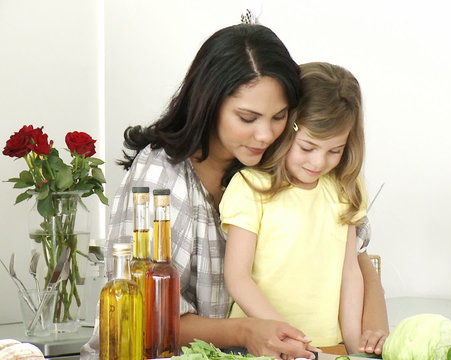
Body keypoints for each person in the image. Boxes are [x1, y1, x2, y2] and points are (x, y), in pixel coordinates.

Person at [80, 23, 387, 360]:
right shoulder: (161, 175)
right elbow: (141, 320)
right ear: (209, 104)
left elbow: (352, 251)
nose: (265, 135)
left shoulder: (282, 161)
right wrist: (247, 330)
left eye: (279, 116)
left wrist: (373, 331)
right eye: (247, 117)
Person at [221, 62, 371, 354]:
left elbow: (350, 272)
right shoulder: (250, 186)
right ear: (286, 130)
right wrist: (294, 342)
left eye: (334, 151)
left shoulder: (344, 188)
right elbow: (237, 277)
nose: (318, 163)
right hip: (261, 348)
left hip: (327, 346)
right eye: (307, 147)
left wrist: (354, 350)